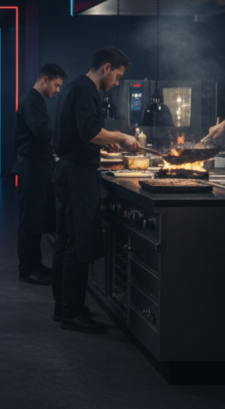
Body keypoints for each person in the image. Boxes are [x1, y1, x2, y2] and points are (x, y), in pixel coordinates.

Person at [52, 47, 139, 333]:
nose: (117, 82)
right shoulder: (87, 90)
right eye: (118, 76)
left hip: (68, 170)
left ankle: (63, 306)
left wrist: (104, 140)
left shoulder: (74, 87)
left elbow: (82, 132)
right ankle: (72, 313)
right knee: (79, 242)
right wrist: (122, 137)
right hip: (77, 174)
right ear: (106, 67)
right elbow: (89, 130)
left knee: (66, 240)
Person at [13, 63, 66, 285]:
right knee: (30, 219)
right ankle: (27, 270)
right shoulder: (31, 100)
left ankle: (35, 265)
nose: (58, 90)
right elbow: (43, 132)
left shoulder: (36, 100)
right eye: (56, 85)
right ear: (45, 79)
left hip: (38, 165)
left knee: (37, 218)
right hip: (31, 166)